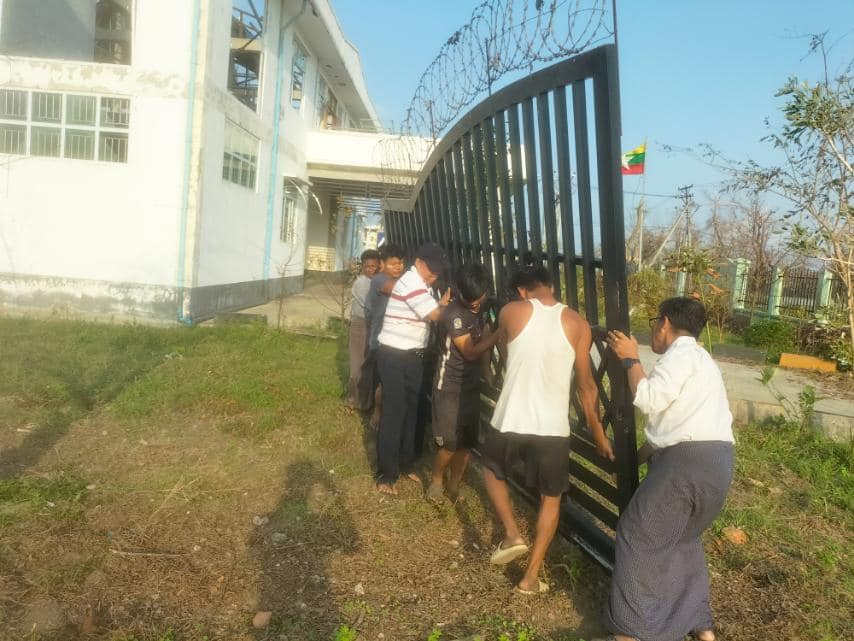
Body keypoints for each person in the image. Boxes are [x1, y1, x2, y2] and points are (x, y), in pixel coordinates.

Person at [601, 297, 734, 641]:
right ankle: (702, 628)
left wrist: (631, 358)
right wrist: (635, 458)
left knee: (636, 535)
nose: (652, 333)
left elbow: (649, 399)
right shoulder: (703, 361)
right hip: (719, 463)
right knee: (683, 540)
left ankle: (630, 633)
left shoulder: (679, 356)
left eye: (653, 324)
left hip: (686, 465)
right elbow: (673, 426)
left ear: (664, 323)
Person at [482, 265, 613, 595]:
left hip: (511, 417)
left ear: (521, 291)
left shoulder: (510, 312)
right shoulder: (578, 324)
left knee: (492, 470)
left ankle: (512, 534)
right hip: (552, 427)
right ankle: (530, 576)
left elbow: (504, 351)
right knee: (550, 498)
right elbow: (586, 386)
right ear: (551, 286)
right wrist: (598, 433)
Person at [375, 242, 451, 495]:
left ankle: (406, 463)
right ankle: (386, 475)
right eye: (432, 269)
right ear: (418, 263)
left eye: (438, 271)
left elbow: (432, 310)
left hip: (413, 356)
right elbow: (435, 315)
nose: (435, 274)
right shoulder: (410, 282)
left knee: (411, 411)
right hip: (394, 355)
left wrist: (440, 304)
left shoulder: (423, 285)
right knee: (394, 413)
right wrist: (448, 306)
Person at [427, 264, 499, 504]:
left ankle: (454, 484)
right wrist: (498, 335)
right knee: (449, 444)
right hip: (449, 386)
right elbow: (470, 352)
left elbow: (484, 340)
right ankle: (437, 481)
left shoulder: (482, 309)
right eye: (470, 299)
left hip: (471, 385)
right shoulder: (453, 314)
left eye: (478, 298)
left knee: (466, 443)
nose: (474, 303)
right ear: (460, 291)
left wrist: (487, 374)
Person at [359, 243, 406, 421]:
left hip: (393, 341)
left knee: (385, 381)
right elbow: (397, 290)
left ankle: (379, 413)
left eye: (401, 263)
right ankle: (374, 413)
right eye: (393, 264)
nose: (398, 267)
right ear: (383, 264)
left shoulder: (401, 280)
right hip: (379, 341)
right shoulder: (379, 280)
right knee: (377, 380)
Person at [345, 249, 380, 409]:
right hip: (360, 325)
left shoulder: (377, 282)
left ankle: (365, 402)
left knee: (368, 364)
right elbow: (372, 307)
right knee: (357, 365)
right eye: (368, 266)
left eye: (374, 266)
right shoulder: (361, 283)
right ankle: (353, 399)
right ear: (363, 267)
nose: (371, 269)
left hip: (372, 326)